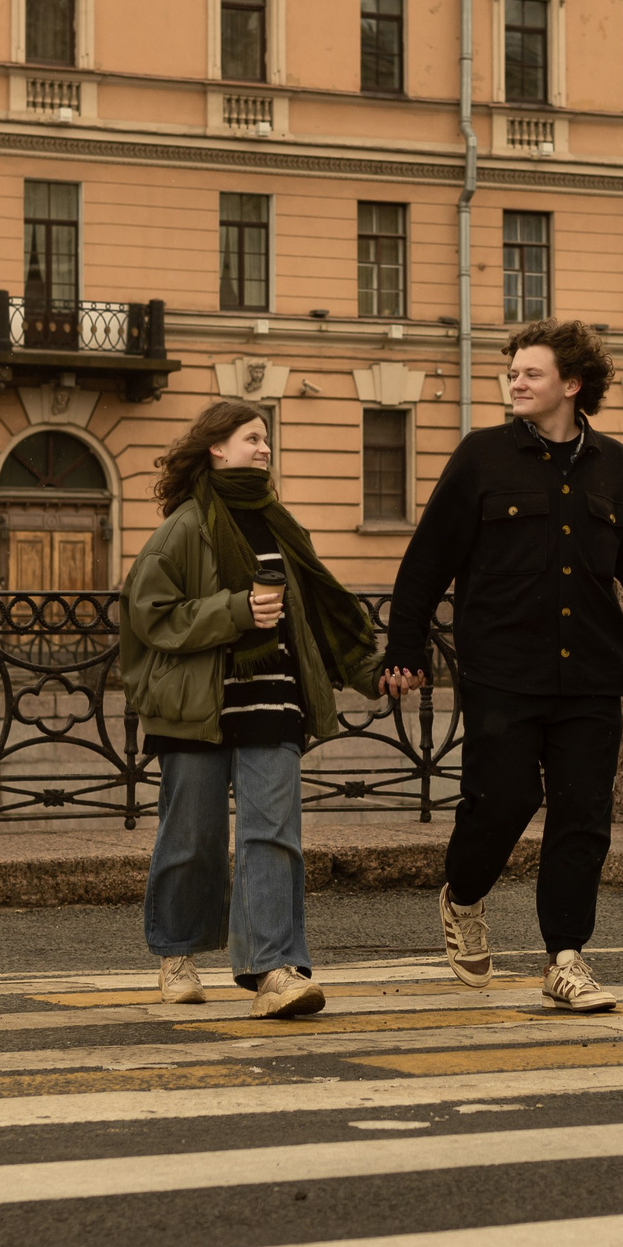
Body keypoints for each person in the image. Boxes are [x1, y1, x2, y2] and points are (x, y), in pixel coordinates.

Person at [379, 319, 623, 1012]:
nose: (516, 381)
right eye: (512, 372)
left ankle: (565, 956)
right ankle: (465, 891)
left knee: (582, 816)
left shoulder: (615, 464)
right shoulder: (481, 457)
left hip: (592, 674)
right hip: (502, 668)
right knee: (503, 799)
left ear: (571, 385)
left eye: (531, 373)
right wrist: (404, 647)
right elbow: (426, 562)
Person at [119, 400, 384, 1018]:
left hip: (274, 700)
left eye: (266, 439)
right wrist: (235, 611)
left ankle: (275, 970)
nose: (264, 449)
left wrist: (374, 672)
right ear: (216, 447)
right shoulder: (184, 527)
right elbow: (149, 616)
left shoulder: (280, 524)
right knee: (193, 839)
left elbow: (316, 615)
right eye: (252, 438)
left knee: (274, 838)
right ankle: (178, 952)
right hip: (196, 708)